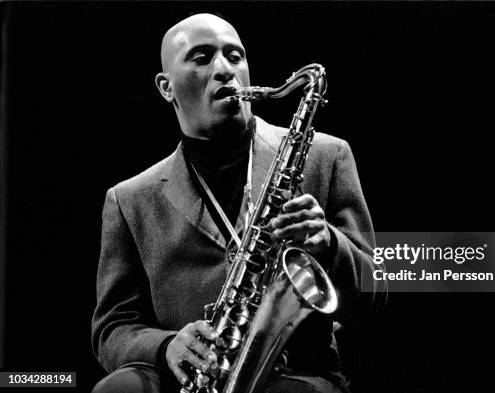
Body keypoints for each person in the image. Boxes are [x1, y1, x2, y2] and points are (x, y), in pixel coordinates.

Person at [91, 13, 382, 393]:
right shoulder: (129, 199)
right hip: (193, 379)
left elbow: (376, 294)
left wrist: (327, 244)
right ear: (166, 87)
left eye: (235, 55)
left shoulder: (327, 156)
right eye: (201, 57)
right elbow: (112, 329)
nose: (225, 69)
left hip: (297, 376)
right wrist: (166, 347)